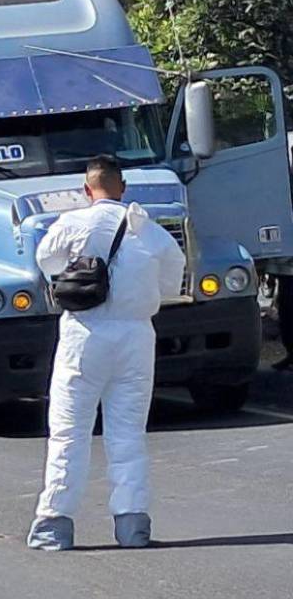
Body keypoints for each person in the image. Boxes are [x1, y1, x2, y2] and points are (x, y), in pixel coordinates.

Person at [28, 156, 186, 552]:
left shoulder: (72, 224)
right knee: (128, 433)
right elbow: (171, 281)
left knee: (69, 432)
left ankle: (53, 525)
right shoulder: (151, 233)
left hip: (84, 335)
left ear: (87, 190)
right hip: (135, 337)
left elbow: (46, 261)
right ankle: (132, 526)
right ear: (123, 187)